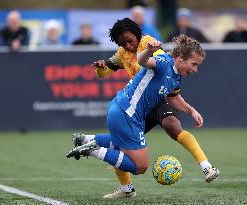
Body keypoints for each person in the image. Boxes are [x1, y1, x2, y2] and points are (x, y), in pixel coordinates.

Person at [67, 18, 219, 199]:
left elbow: (174, 97)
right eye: (194, 64)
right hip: (127, 112)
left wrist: (192, 111)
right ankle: (92, 149)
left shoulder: (176, 77)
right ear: (180, 59)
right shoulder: (163, 61)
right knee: (140, 166)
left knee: (126, 151)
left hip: (127, 112)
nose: (195, 70)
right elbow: (143, 60)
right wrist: (149, 50)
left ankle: (90, 142)